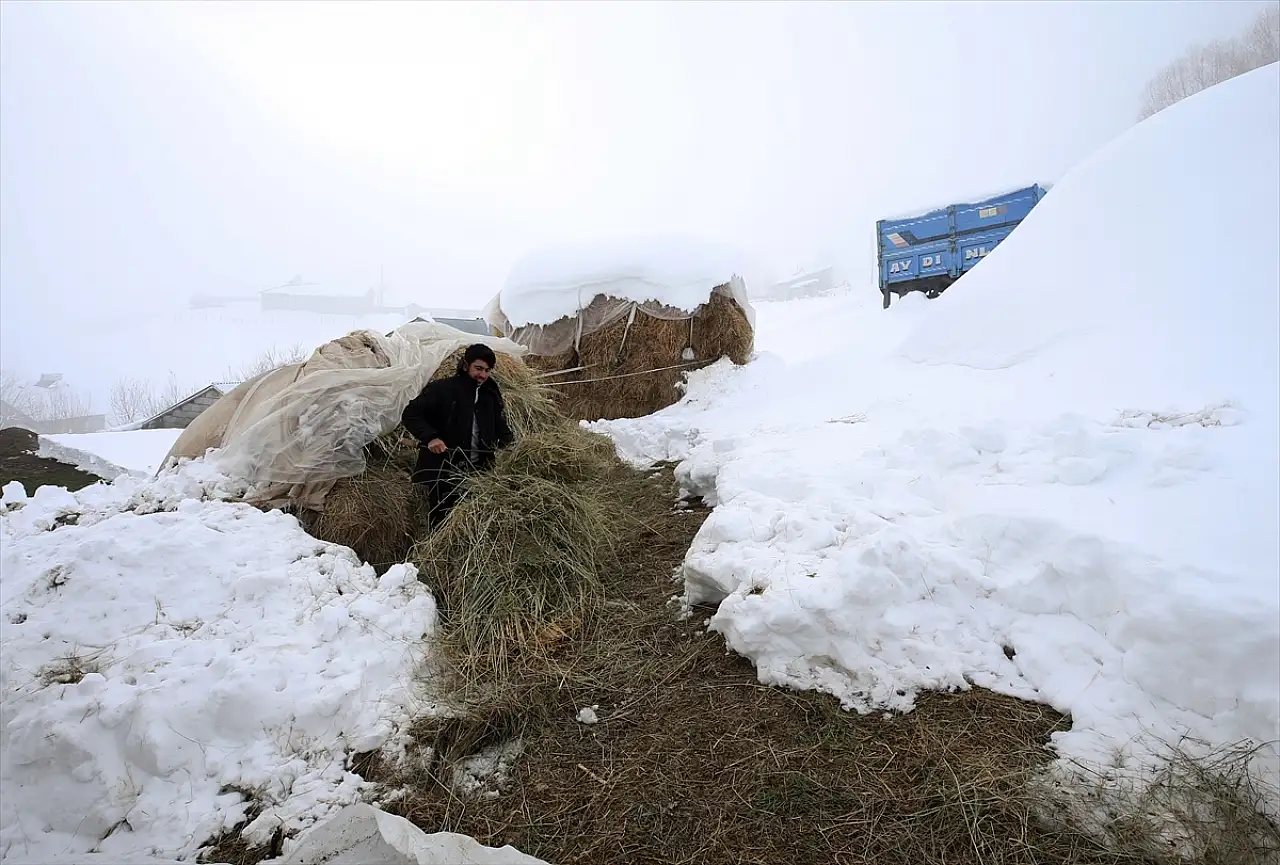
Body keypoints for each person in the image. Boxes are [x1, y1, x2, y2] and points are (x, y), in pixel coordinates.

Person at [401, 343, 514, 525]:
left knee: (474, 524)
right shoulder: (442, 389)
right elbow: (411, 414)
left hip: (479, 473)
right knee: (441, 524)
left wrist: (511, 447)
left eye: (487, 370)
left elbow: (499, 424)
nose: (483, 375)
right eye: (478, 368)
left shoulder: (489, 395)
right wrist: (431, 437)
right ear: (465, 365)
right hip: (444, 472)